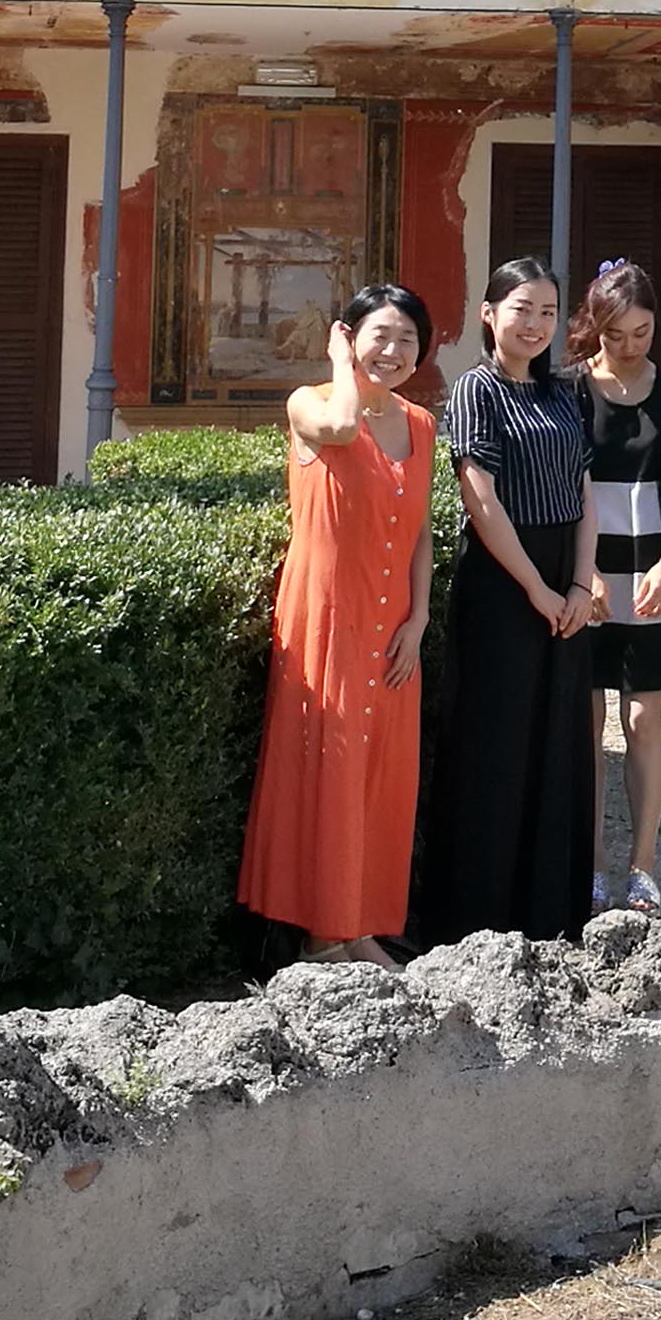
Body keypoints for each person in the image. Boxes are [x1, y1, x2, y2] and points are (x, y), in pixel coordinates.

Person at [237, 284, 439, 961]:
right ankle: (324, 936)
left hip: (393, 622)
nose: (394, 350)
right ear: (348, 337)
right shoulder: (311, 402)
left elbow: (420, 533)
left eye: (408, 339)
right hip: (327, 616)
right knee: (332, 769)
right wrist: (339, 360)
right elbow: (345, 428)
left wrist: (420, 617)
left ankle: (360, 927)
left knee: (382, 774)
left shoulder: (420, 423)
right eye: (380, 334)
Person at [429, 258, 605, 943]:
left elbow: (585, 493)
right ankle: (478, 920)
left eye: (547, 312)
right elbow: (481, 499)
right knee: (495, 746)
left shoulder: (564, 392)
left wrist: (580, 586)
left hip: (566, 584)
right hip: (504, 585)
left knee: (559, 739)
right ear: (489, 313)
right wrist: (535, 586)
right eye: (521, 308)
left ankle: (552, 913)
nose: (535, 324)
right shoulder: (475, 389)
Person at [567, 260, 661, 914]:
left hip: (649, 573)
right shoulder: (569, 389)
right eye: (614, 334)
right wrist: (583, 569)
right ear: (595, 326)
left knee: (644, 719)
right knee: (586, 723)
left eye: (641, 333)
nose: (627, 346)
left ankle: (643, 866)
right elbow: (563, 485)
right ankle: (590, 863)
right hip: (585, 573)